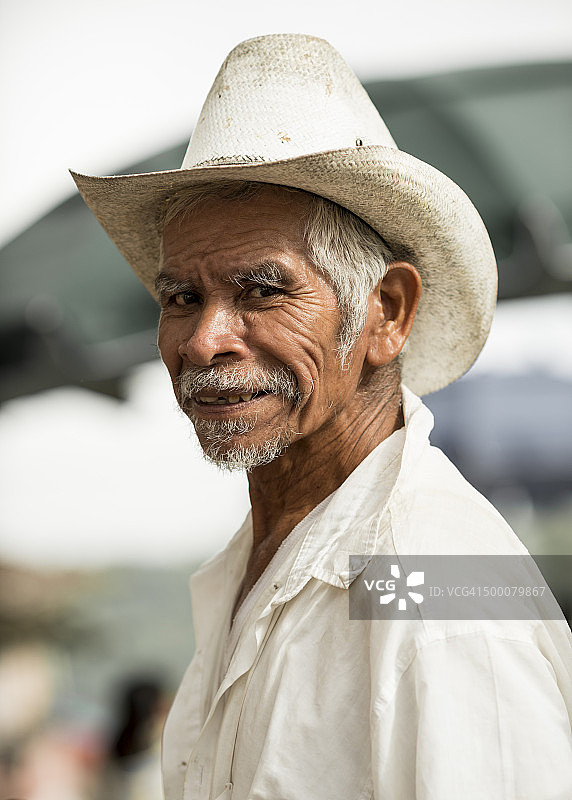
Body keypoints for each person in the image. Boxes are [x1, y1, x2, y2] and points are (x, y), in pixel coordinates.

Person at [72, 34, 572, 800]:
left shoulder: (428, 582)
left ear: (387, 314)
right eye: (181, 299)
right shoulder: (272, 559)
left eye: (263, 290)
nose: (204, 340)